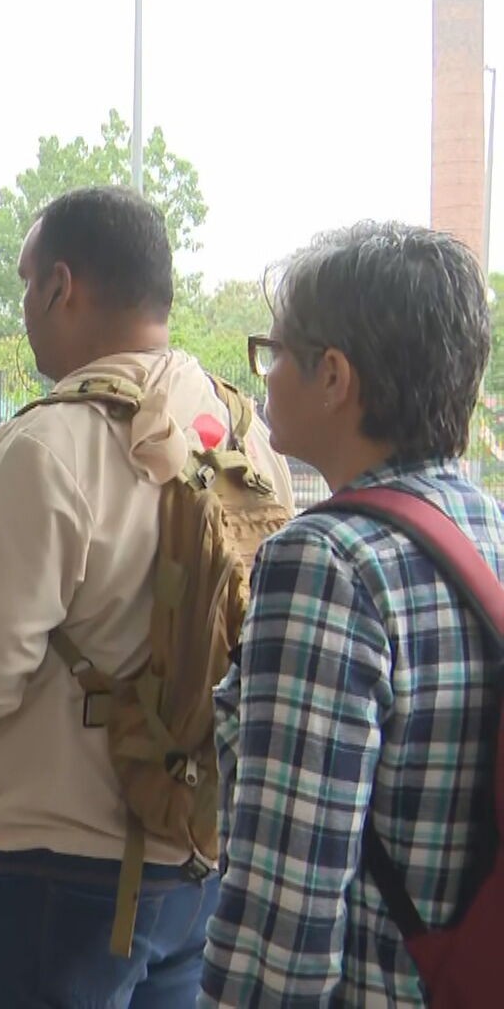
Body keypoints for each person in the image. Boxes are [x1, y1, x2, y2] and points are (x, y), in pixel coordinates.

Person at [0, 186, 293, 1006]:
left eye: (25, 282)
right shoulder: (244, 431)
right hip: (192, 861)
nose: (25, 305)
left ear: (61, 287)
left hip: (50, 882)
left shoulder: (50, 445)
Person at [202, 223, 500, 1005]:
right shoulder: (491, 528)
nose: (262, 378)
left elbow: (285, 904)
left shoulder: (327, 562)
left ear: (332, 375)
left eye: (274, 351)